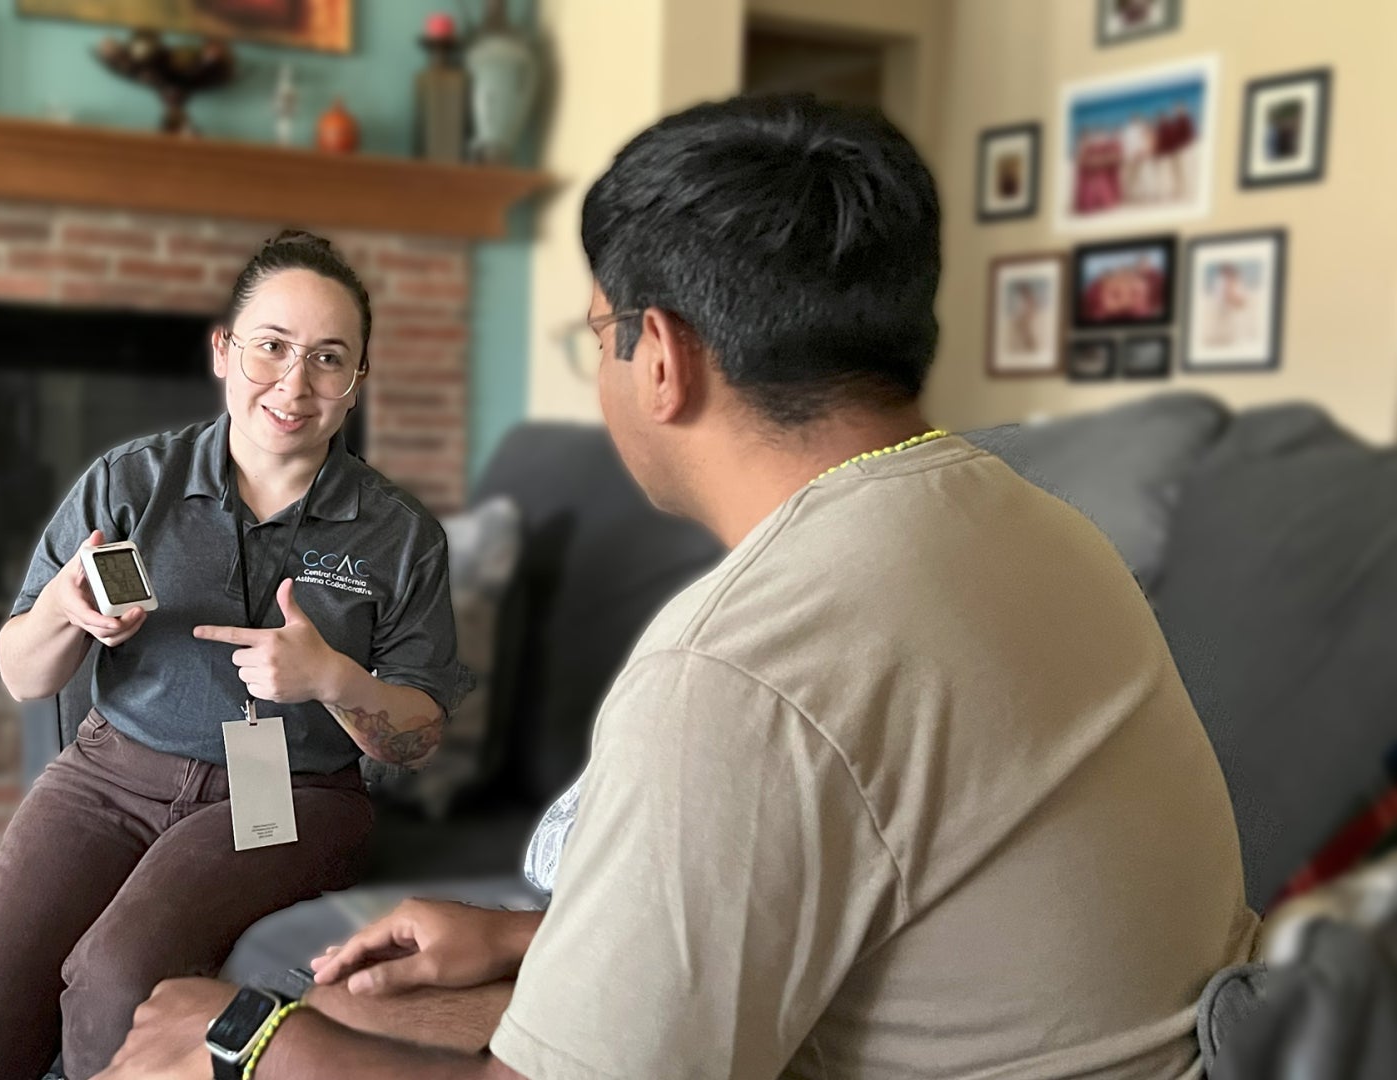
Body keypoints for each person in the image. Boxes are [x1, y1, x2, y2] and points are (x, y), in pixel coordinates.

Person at [99, 94, 1258, 1080]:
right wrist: (525, 934)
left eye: (596, 332)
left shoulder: (741, 661)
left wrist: (242, 1036)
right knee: (357, 1011)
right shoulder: (1039, 526)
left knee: (233, 1034)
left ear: (660, 357)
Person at [0, 230, 468, 1080]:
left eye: (329, 359)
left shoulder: (401, 535)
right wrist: (63, 610)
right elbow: (21, 674)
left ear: (356, 384)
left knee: (113, 982)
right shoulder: (128, 484)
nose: (294, 384)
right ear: (224, 351)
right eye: (270, 346)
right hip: (111, 774)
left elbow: (417, 738)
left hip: (293, 795)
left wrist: (334, 681)